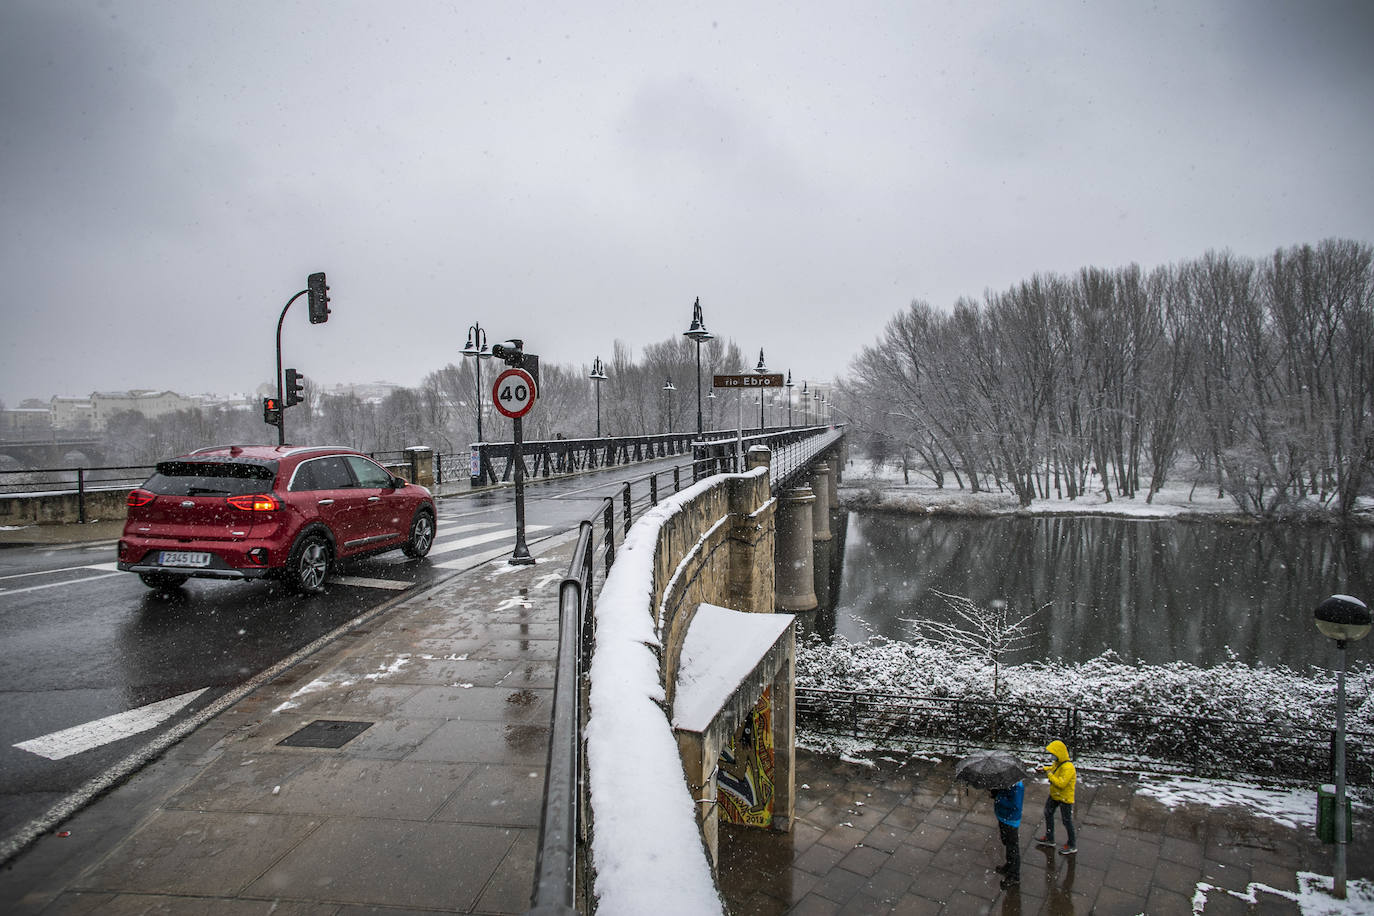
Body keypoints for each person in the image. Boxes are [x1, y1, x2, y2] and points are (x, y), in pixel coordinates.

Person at [1036, 739, 1078, 854]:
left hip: (1065, 798)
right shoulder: (1058, 763)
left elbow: (1061, 783)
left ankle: (1072, 844)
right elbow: (1052, 768)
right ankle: (1049, 837)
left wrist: (1049, 775)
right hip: (1055, 795)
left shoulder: (1068, 767)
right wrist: (1044, 769)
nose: (1052, 757)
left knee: (1067, 821)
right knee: (1048, 813)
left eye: (1053, 754)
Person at [991, 779, 1024, 887]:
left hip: (1010, 820)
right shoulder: (1007, 782)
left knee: (1012, 848)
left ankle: (1014, 876)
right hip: (1003, 816)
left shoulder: (1017, 786)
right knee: (1006, 842)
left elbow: (1015, 805)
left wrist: (999, 798)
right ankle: (1009, 866)